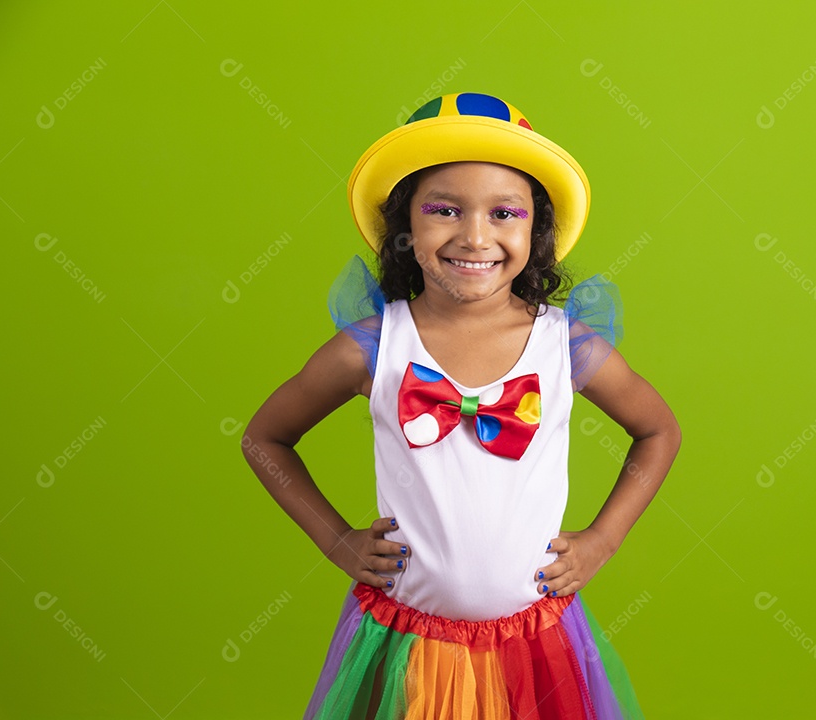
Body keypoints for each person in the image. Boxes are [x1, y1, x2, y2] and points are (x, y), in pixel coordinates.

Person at [241, 91, 681, 719]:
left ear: (537, 230)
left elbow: (658, 430)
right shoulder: (374, 347)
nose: (475, 236)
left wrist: (602, 542)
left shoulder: (564, 345)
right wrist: (339, 541)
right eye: (444, 210)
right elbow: (264, 438)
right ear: (405, 230)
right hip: (403, 644)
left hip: (537, 643)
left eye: (505, 213)